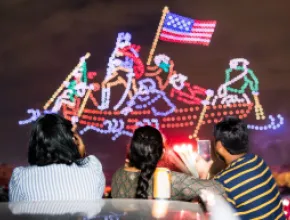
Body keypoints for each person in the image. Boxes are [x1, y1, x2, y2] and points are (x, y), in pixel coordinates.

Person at [196, 116, 285, 219]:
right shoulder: (258, 161)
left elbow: (207, 211)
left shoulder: (223, 181)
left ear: (220, 146)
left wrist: (202, 174)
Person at [111, 126, 225, 200]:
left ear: (131, 150)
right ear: (162, 153)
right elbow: (219, 190)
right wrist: (203, 173)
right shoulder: (169, 180)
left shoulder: (118, 176)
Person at [9, 114, 105, 202]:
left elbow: (17, 212)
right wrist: (80, 154)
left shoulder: (19, 177)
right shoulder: (93, 172)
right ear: (74, 141)